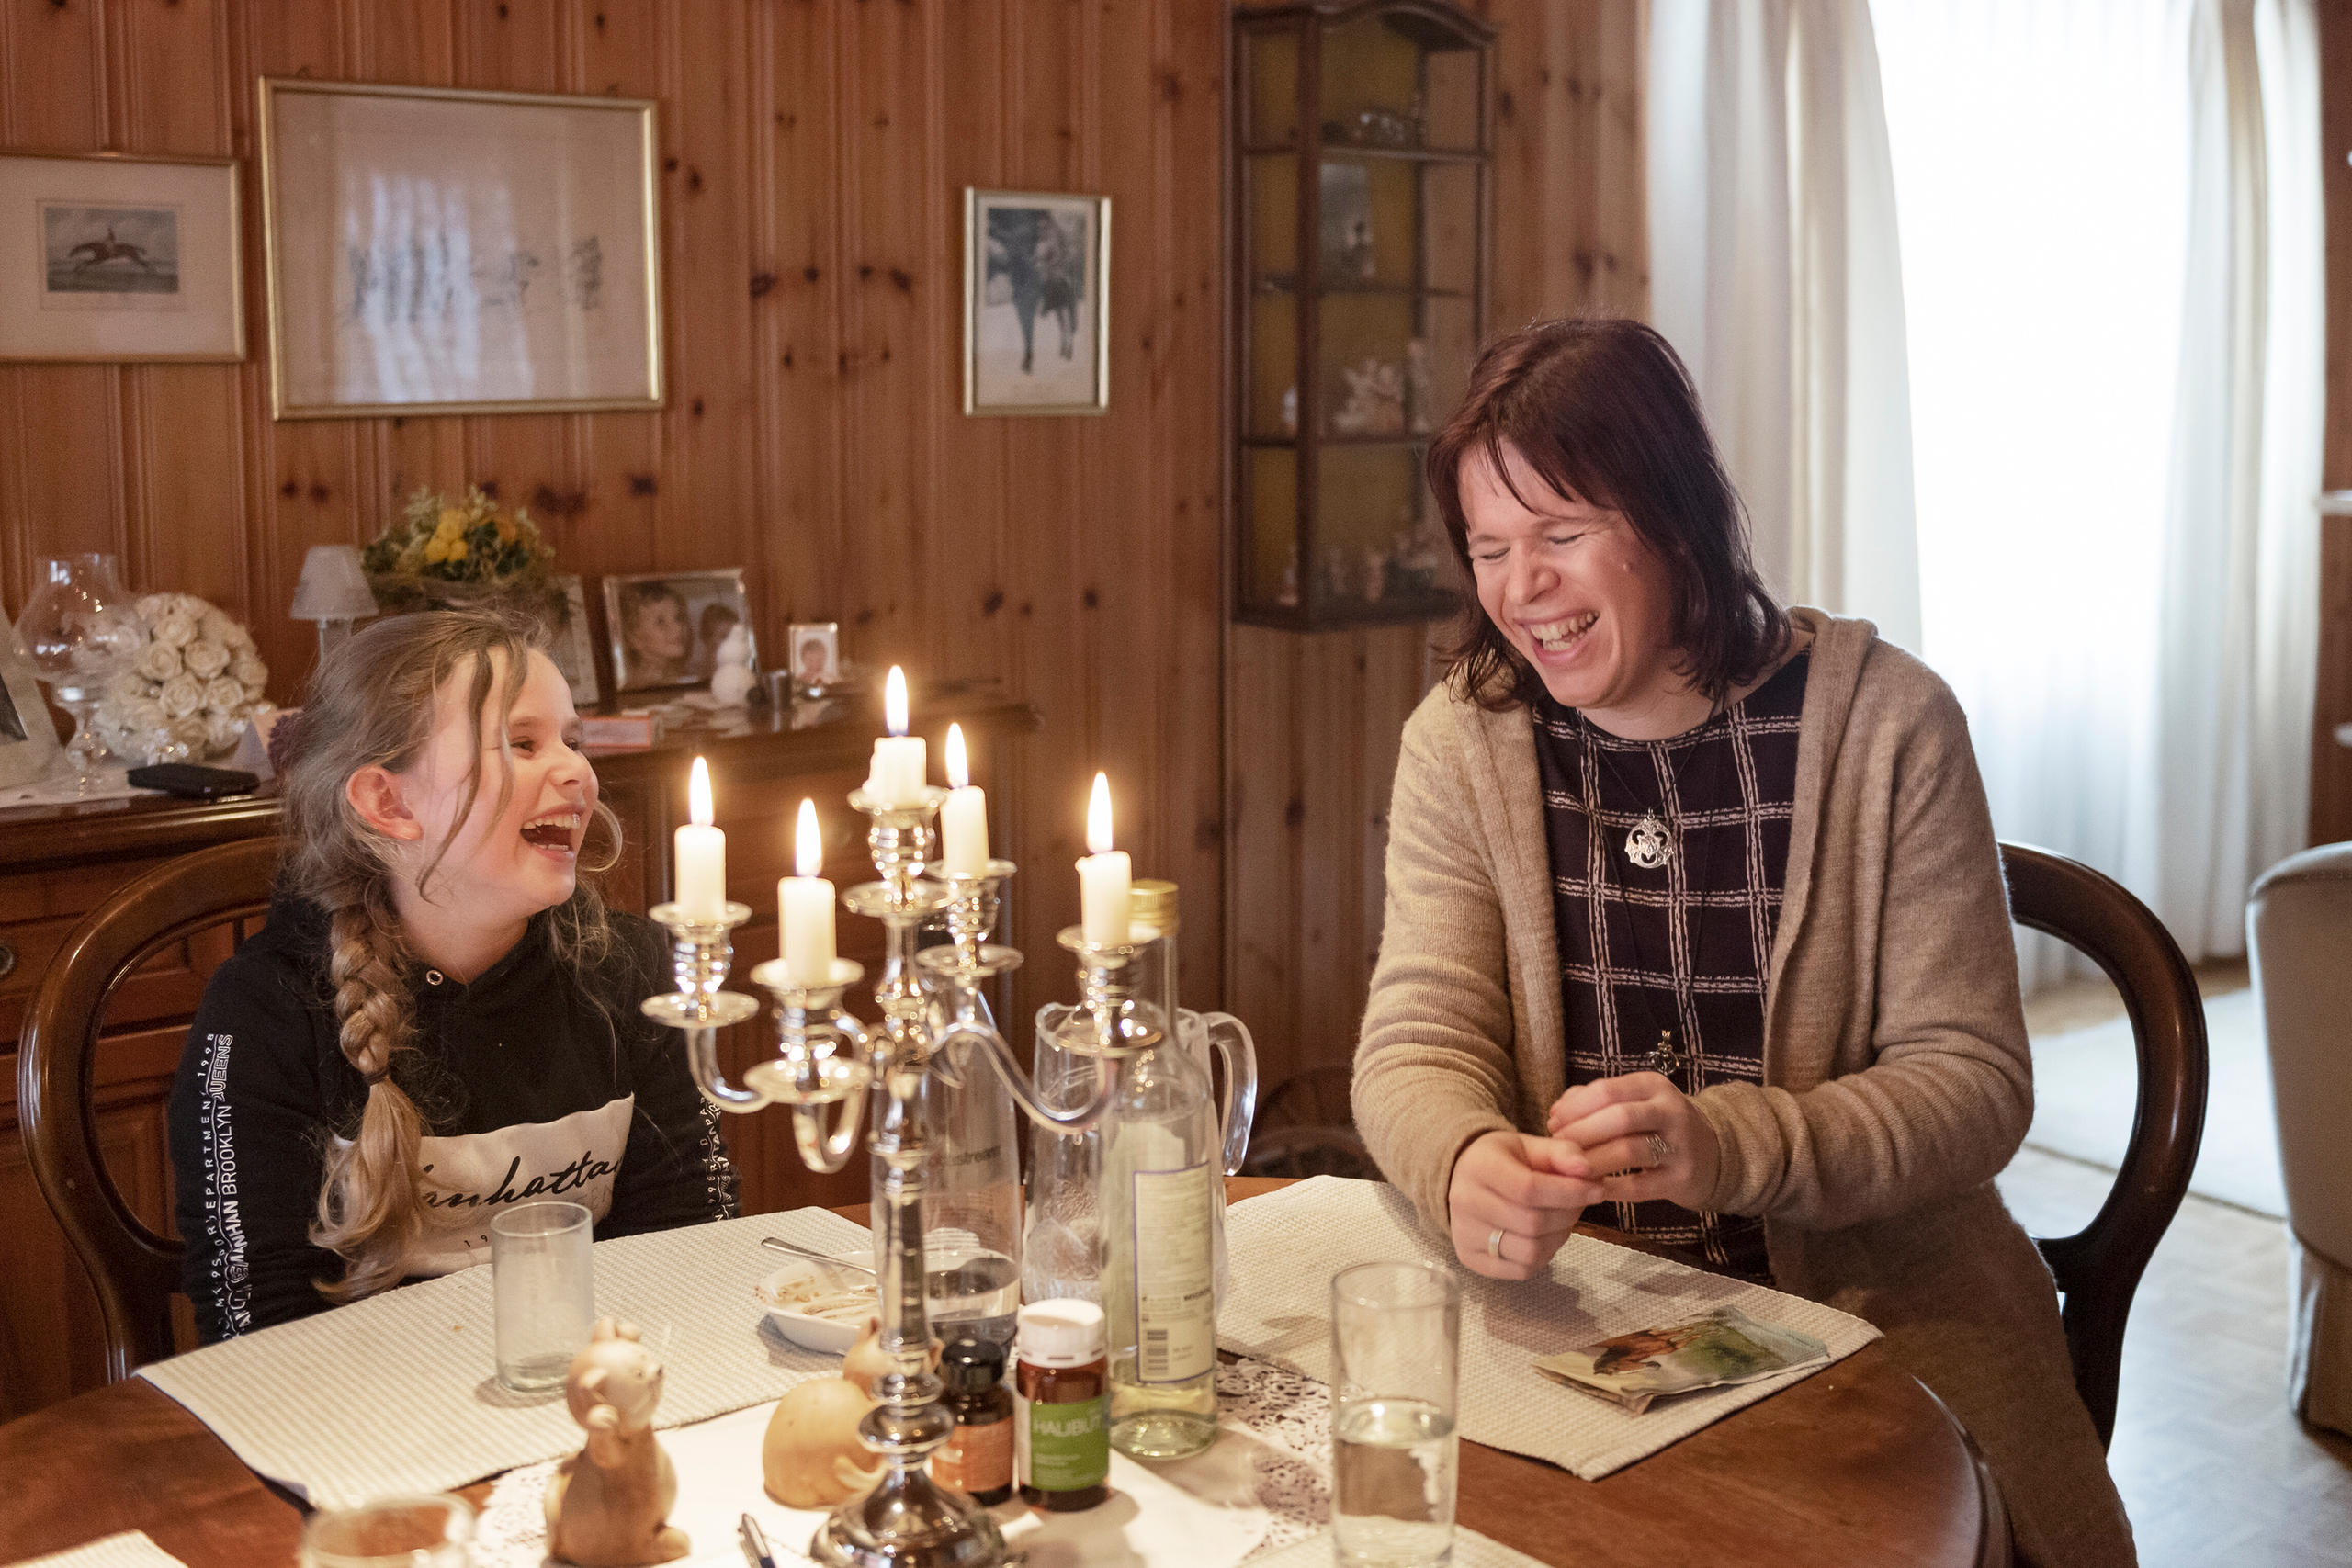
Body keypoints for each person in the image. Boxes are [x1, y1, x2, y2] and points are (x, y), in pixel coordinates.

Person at [1351, 318, 2135, 1568]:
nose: (1522, 589)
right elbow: (1416, 1035)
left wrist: (1730, 1144)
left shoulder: (1889, 726)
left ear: (1673, 519)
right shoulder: (1465, 740)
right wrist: (1457, 1160)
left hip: (1876, 1314)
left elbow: (1976, 1082)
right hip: (1583, 1308)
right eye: (1491, 549)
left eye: (1560, 536)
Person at [167, 610, 738, 1340]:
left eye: (573, 739)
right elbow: (255, 1321)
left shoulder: (633, 969)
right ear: (389, 802)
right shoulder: (262, 1013)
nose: (576, 771)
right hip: (361, 1424)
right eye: (522, 742)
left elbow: (691, 1238)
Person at [617, 581, 692, 687]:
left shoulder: (678, 675)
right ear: (634, 638)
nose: (678, 627)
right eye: (660, 622)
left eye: (678, 617)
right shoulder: (636, 688)